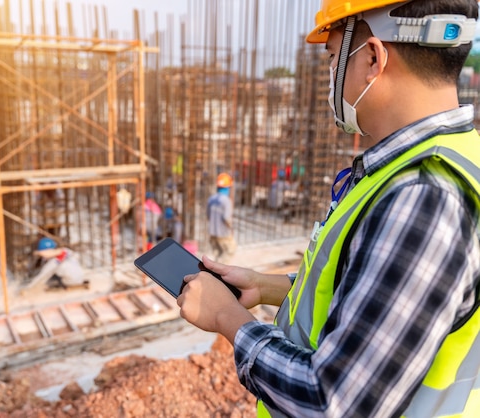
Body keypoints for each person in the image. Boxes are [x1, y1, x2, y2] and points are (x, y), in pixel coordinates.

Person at [177, 1, 480, 417]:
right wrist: (264, 286)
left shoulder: (424, 195)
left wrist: (227, 316)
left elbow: (333, 401)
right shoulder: (441, 160)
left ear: (372, 58)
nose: (330, 74)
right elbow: (367, 290)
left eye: (335, 56)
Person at [19, 237, 87, 292]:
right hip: (81, 277)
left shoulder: (53, 263)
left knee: (49, 279)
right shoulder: (66, 250)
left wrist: (27, 288)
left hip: (70, 282)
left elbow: (41, 277)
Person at [206, 172, 237, 263]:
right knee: (229, 252)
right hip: (224, 234)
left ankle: (215, 270)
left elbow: (208, 216)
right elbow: (226, 218)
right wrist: (231, 228)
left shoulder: (211, 199)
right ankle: (219, 273)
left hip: (212, 233)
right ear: (228, 187)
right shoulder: (226, 201)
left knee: (217, 254)